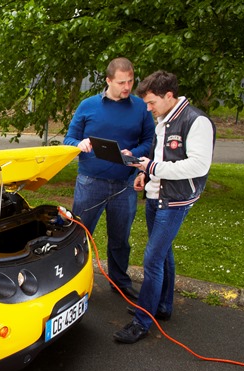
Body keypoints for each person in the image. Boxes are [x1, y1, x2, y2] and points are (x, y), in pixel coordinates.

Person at [114, 70, 215, 343]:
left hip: (176, 201)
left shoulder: (197, 121)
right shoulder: (163, 119)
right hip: (156, 195)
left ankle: (142, 321)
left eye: (151, 102)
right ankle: (163, 306)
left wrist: (154, 167)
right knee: (164, 254)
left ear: (169, 96)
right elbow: (160, 157)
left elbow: (198, 165)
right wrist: (144, 173)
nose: (148, 109)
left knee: (153, 259)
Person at [64, 57, 155, 300]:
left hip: (124, 185)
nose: (127, 87)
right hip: (89, 183)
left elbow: (149, 141)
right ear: (108, 81)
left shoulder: (140, 107)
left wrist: (133, 154)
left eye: (131, 81)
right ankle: (72, 282)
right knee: (80, 235)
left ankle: (119, 281)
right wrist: (79, 143)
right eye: (122, 82)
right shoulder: (88, 105)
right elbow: (69, 139)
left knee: (120, 239)